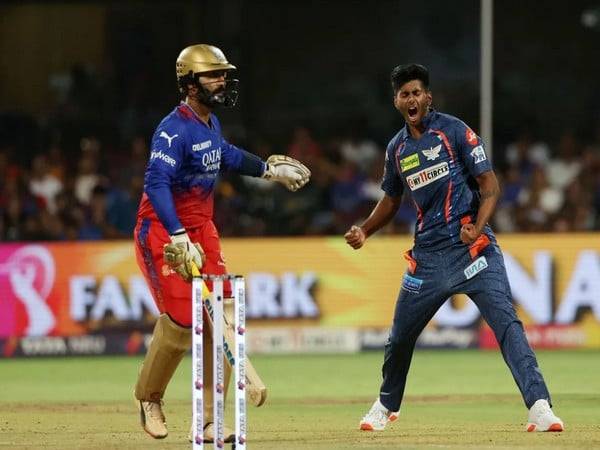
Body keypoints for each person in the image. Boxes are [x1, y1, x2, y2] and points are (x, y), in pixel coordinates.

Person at [344, 64, 563, 433]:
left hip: (473, 250)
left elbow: (491, 186)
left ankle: (539, 406)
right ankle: (385, 405)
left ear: (427, 97)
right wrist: (365, 231)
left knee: (507, 325)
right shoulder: (397, 149)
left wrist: (477, 226)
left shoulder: (454, 130)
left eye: (417, 92)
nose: (411, 99)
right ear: (396, 101)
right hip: (427, 258)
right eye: (404, 94)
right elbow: (391, 200)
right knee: (399, 337)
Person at [133, 44, 310, 442]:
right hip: (162, 231)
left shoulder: (210, 123)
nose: (222, 81)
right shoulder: (172, 129)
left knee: (223, 324)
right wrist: (177, 235)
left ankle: (210, 420)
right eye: (213, 75)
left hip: (203, 230)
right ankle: (149, 397)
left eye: (223, 74)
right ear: (189, 83)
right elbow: (156, 183)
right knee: (181, 324)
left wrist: (267, 169)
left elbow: (225, 155)